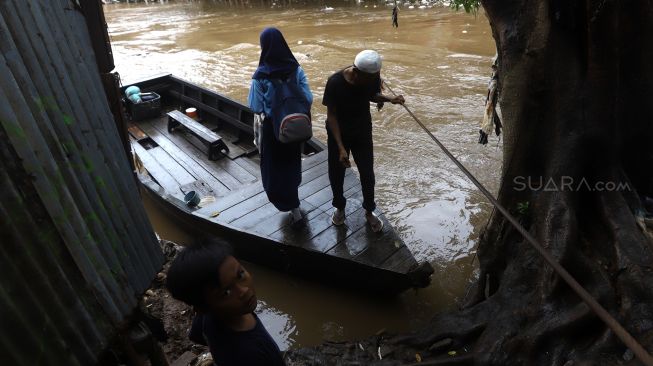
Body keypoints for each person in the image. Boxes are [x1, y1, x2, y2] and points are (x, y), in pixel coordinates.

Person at [166, 238, 286, 366]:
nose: (244, 291)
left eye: (240, 275)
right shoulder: (249, 354)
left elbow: (196, 335)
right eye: (226, 293)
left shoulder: (207, 316)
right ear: (203, 307)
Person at [322, 50, 405, 233]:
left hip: (362, 131)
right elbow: (331, 117)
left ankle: (369, 210)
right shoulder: (335, 82)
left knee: (368, 174)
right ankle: (340, 207)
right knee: (336, 173)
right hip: (339, 134)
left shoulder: (372, 76)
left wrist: (391, 99)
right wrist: (341, 148)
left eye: (374, 78)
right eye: (369, 79)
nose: (373, 81)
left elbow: (372, 95)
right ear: (356, 72)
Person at [248, 27, 313, 227]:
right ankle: (295, 204)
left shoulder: (260, 76)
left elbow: (255, 106)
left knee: (274, 170)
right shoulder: (296, 69)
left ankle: (291, 207)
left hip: (273, 131)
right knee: (291, 165)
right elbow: (308, 99)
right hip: (294, 127)